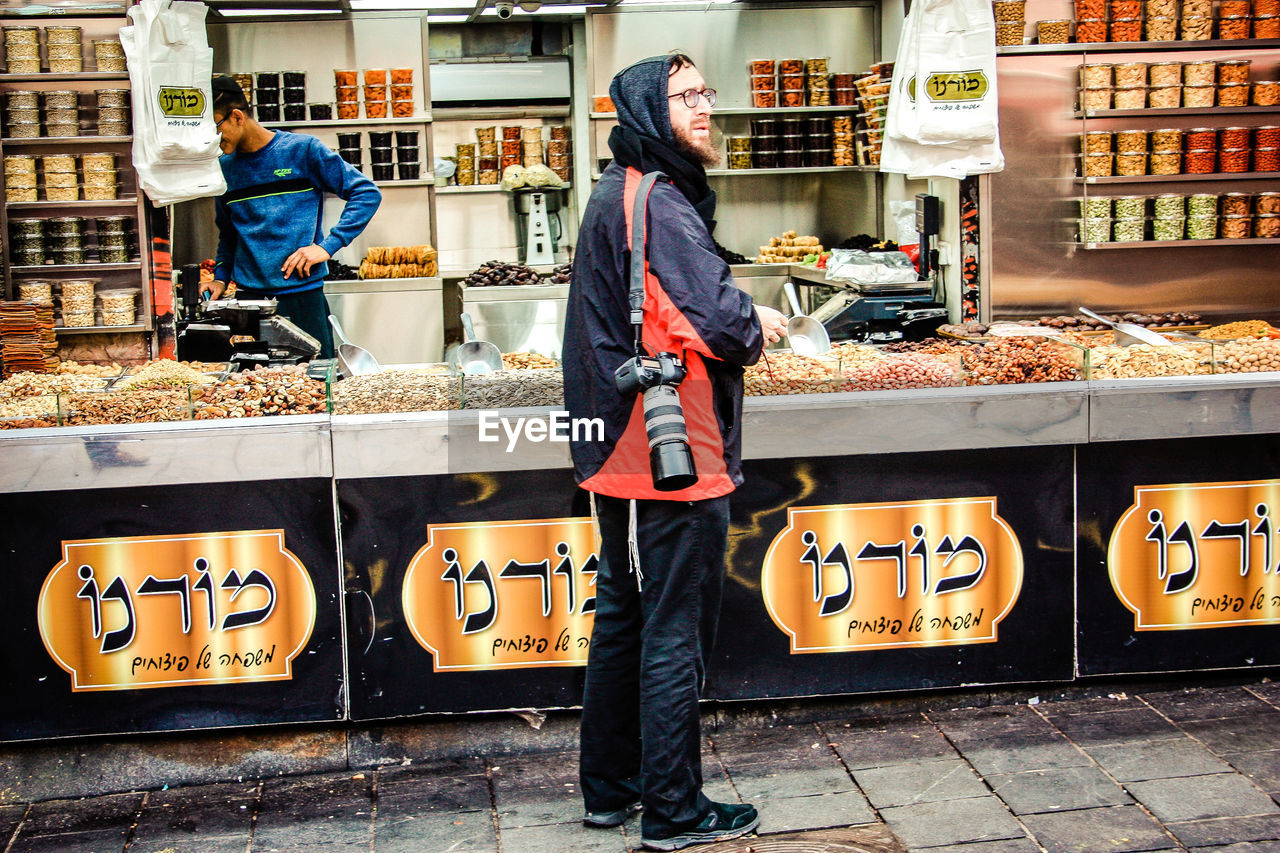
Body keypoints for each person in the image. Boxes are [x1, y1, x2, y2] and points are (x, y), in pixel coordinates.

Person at [562, 54, 788, 851]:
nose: (703, 108)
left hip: (615, 442)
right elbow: (722, 324)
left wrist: (732, 307)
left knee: (623, 612)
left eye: (705, 93)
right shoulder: (660, 201)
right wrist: (759, 321)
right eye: (684, 96)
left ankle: (610, 790)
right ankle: (675, 811)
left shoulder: (616, 188)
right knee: (671, 626)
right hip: (670, 447)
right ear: (650, 111)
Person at [206, 76, 381, 358]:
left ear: (237, 116)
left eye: (214, 128)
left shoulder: (303, 151)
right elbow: (228, 233)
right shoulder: (223, 169)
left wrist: (327, 247)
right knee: (256, 388)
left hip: (302, 297)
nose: (210, 139)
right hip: (249, 303)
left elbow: (366, 193)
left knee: (316, 383)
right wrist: (220, 278)